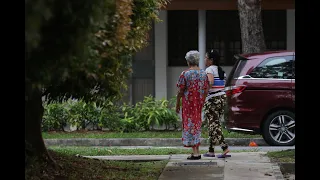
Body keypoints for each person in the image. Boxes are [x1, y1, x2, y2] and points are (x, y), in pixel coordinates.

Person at [176, 50, 209, 160]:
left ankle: (195, 152)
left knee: (190, 125)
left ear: (188, 61)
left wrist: (177, 104)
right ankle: (196, 151)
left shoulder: (185, 74)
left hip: (188, 104)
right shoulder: (203, 73)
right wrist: (202, 101)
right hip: (198, 104)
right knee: (196, 124)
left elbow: (180, 91)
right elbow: (205, 90)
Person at [203, 49, 230, 158]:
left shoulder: (209, 69)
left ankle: (224, 147)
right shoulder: (222, 71)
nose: (205, 59)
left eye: (206, 58)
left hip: (213, 99)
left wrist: (204, 94)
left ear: (211, 60)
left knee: (214, 124)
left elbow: (210, 82)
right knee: (212, 124)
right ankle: (211, 150)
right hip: (222, 98)